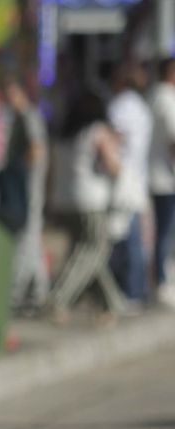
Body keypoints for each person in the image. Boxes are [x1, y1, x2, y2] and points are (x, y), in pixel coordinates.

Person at [46, 90, 127, 320]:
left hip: (64, 200)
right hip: (90, 200)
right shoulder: (97, 131)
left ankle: (111, 304)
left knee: (88, 253)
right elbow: (113, 165)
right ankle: (59, 298)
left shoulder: (64, 135)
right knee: (93, 251)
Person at [107, 60, 153, 306]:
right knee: (133, 236)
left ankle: (131, 291)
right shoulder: (141, 107)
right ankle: (137, 289)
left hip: (123, 178)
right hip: (137, 178)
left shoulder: (121, 105)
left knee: (126, 237)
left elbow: (115, 138)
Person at [4, 76, 51, 313]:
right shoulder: (18, 118)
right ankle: (38, 291)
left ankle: (19, 291)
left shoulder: (28, 117)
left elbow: (37, 149)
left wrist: (20, 170)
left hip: (28, 186)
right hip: (24, 185)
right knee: (31, 237)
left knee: (27, 236)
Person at [147, 57, 175, 306]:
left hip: (156, 175)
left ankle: (161, 278)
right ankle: (163, 282)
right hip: (167, 178)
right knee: (165, 231)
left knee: (161, 230)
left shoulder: (153, 96)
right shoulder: (167, 98)